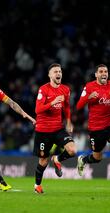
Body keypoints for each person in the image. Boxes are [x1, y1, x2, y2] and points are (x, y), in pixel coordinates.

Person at [33, 63, 76, 194]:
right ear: (49, 75)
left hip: (58, 128)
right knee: (43, 161)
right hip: (43, 131)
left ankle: (57, 159)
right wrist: (52, 102)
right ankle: (37, 186)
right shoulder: (43, 90)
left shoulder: (65, 89)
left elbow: (67, 106)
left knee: (72, 150)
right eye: (55, 71)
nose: (58, 74)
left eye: (60, 71)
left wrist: (68, 121)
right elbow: (37, 109)